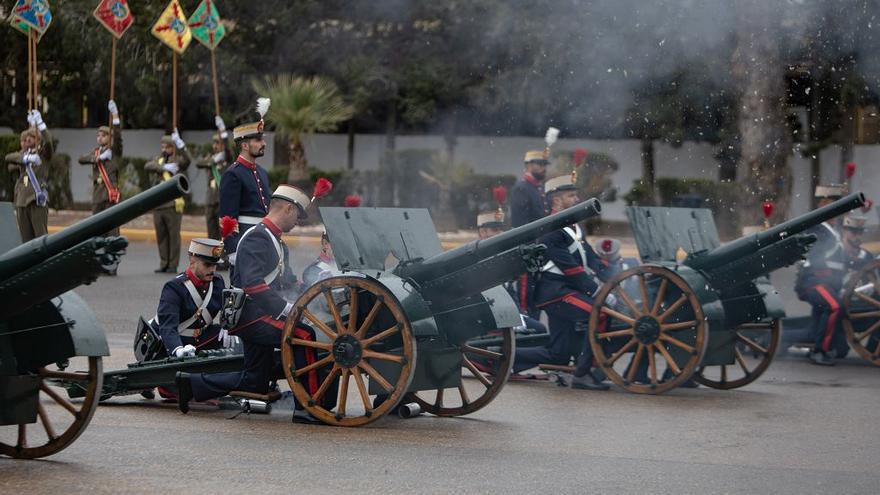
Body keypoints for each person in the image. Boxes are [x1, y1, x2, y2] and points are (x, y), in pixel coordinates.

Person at [176, 185, 322, 415]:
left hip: (260, 314)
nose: (297, 222)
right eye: (297, 216)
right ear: (287, 209)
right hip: (251, 315)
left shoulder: (276, 241)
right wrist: (287, 309)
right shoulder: (257, 238)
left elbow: (290, 281)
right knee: (304, 335)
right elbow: (253, 285)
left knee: (254, 381)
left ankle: (192, 384)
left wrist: (317, 293)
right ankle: (310, 407)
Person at [512, 175, 617, 390]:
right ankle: (585, 372)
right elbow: (571, 268)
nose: (577, 198)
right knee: (600, 314)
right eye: (571, 195)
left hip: (567, 291)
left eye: (575, 194)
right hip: (556, 293)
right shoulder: (551, 229)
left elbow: (592, 260)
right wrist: (597, 290)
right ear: (556, 200)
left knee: (558, 355)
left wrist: (613, 278)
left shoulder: (574, 228)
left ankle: (503, 357)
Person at [795, 184, 850, 365]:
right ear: (824, 203)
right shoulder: (816, 228)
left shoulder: (832, 231)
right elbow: (810, 255)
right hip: (814, 281)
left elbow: (842, 261)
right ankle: (819, 351)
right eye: (836, 204)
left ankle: (820, 345)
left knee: (820, 318)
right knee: (834, 307)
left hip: (828, 283)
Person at [218, 101, 272, 268]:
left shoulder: (262, 172)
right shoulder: (233, 174)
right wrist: (233, 250)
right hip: (244, 241)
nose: (263, 144)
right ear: (244, 145)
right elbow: (227, 218)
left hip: (263, 238)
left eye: (262, 139)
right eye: (258, 140)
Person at [509, 150, 550, 318]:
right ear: (528, 165)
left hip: (537, 246)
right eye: (539, 164)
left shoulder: (537, 188)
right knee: (526, 296)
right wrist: (528, 247)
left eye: (544, 165)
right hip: (527, 248)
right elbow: (520, 223)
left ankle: (535, 325)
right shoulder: (522, 188)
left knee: (535, 297)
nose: (543, 168)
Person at [145, 130, 192, 273]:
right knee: (161, 235)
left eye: (167, 147)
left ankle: (172, 264)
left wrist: (180, 143)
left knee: (173, 236)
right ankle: (163, 262)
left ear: (173, 147)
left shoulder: (178, 161)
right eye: (163, 147)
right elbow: (148, 166)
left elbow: (188, 160)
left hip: (173, 204)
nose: (164, 150)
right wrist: (163, 167)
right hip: (158, 204)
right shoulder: (158, 160)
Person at [79, 100, 123, 242]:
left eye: (103, 135)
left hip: (110, 195)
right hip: (98, 196)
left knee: (112, 229)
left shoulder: (115, 152)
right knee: (97, 228)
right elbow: (81, 159)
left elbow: (118, 138)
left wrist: (115, 116)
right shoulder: (96, 152)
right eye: (98, 135)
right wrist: (97, 158)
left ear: (110, 138)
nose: (99, 138)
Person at [5, 110, 53, 241]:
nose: (27, 140)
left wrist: (41, 125)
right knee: (25, 239)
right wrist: (26, 158)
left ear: (38, 140)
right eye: (25, 139)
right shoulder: (24, 156)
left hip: (36, 199)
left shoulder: (43, 155)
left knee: (40, 237)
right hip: (22, 200)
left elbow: (49, 143)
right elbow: (9, 158)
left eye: (30, 137)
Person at [196, 118, 234, 242]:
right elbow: (199, 163)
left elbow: (228, 151)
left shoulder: (227, 159)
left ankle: (223, 259)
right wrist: (213, 160)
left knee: (223, 235)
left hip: (222, 201)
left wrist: (223, 131)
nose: (215, 146)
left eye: (218, 143)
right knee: (211, 235)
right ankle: (212, 260)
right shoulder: (211, 159)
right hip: (210, 201)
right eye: (214, 143)